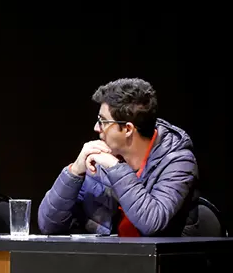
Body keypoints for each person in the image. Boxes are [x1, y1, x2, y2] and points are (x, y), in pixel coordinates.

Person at [38, 78, 198, 236]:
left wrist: (116, 168)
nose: (96, 128)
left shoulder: (178, 161)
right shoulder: (101, 159)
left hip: (158, 260)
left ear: (128, 129)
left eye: (102, 121)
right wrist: (74, 172)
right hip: (108, 258)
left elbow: (152, 223)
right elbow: (48, 225)